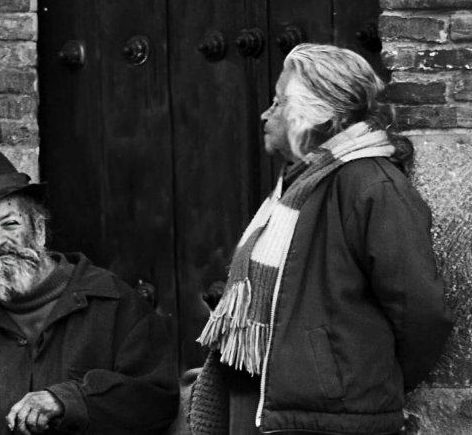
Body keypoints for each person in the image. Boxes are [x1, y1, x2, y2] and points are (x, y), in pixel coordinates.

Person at [190, 44, 454, 435]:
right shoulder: (300, 185)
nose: (266, 114)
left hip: (335, 420)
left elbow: (422, 311)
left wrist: (355, 378)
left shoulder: (371, 185)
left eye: (279, 103)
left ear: (317, 113)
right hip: (277, 413)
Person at [0, 148, 179, 435]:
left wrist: (70, 400)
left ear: (39, 228)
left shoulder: (113, 303)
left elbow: (157, 400)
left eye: (10, 224)